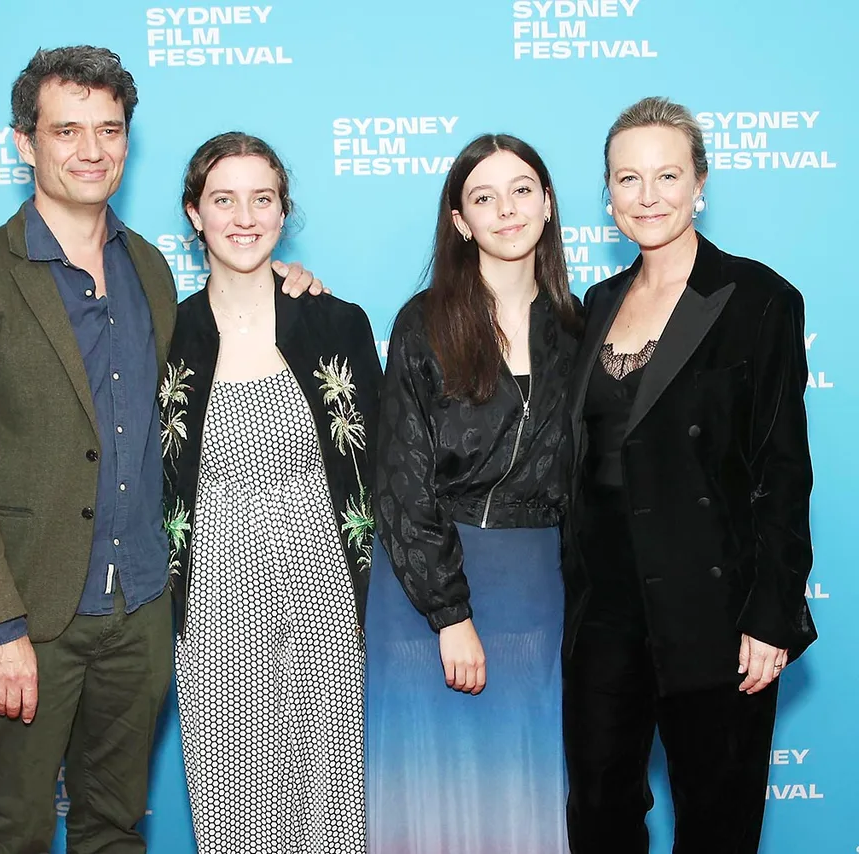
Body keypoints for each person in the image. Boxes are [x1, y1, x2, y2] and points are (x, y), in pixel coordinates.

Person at [0, 47, 320, 853]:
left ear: (128, 142)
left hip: (141, 611)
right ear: (25, 143)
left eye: (109, 130)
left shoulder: (151, 269)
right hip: (30, 617)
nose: (91, 150)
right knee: (13, 831)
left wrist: (286, 280)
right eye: (66, 130)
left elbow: (220, 338)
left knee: (114, 831)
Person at [563, 96, 817, 854]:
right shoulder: (597, 305)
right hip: (606, 608)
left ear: (699, 184)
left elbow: (784, 466)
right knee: (600, 816)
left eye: (667, 176)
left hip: (714, 606)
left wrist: (771, 614)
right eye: (628, 179)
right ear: (607, 195)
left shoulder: (757, 300)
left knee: (717, 822)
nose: (648, 197)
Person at [159, 131, 381, 853]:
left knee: (335, 786)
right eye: (224, 199)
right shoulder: (166, 331)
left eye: (263, 199)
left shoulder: (335, 320)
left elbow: (381, 465)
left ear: (284, 214)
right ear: (195, 213)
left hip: (326, 578)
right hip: (214, 586)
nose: (244, 217)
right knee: (231, 782)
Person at [366, 134, 582, 853]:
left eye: (522, 190)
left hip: (537, 589)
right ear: (460, 220)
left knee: (526, 791)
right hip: (426, 597)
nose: (506, 209)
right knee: (426, 795)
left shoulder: (582, 327)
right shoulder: (422, 323)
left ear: (548, 205)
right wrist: (450, 614)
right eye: (482, 197)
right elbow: (401, 483)